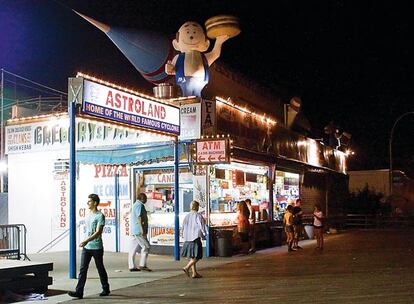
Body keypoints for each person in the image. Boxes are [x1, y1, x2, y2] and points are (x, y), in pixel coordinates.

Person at [68, 194, 110, 299]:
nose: (88, 203)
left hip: (96, 247)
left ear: (95, 203)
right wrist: (85, 242)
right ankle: (79, 292)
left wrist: (86, 241)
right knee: (83, 270)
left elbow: (98, 232)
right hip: (87, 248)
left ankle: (106, 288)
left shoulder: (100, 216)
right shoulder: (88, 214)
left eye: (90, 201)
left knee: (100, 268)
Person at [181, 200, 208, 279]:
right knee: (198, 255)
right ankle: (187, 267)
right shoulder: (198, 215)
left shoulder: (187, 216)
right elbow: (202, 226)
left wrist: (183, 235)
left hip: (187, 238)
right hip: (195, 237)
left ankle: (194, 273)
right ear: (197, 207)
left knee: (192, 256)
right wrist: (205, 234)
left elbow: (183, 227)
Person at [128, 193, 152, 272]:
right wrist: (142, 229)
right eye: (145, 199)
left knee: (132, 249)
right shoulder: (139, 205)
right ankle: (142, 264)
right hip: (138, 231)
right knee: (146, 246)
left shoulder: (134, 205)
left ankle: (131, 266)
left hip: (134, 230)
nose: (146, 200)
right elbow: (139, 218)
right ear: (142, 199)